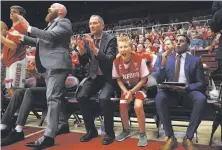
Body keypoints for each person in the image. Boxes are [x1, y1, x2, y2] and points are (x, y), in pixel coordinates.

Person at [8, 3, 72, 149]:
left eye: (52, 7)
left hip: (57, 65)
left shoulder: (64, 22)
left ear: (61, 11)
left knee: (52, 99)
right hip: (49, 67)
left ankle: (49, 136)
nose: (49, 9)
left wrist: (28, 27)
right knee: (55, 98)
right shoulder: (52, 24)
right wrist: (23, 37)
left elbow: (50, 37)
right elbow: (41, 41)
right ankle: (61, 125)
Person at [154, 34, 207, 150]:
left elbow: (201, 83)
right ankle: (170, 137)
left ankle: (188, 137)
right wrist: (162, 63)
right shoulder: (168, 59)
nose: (177, 43)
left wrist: (188, 87)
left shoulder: (195, 60)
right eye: (176, 41)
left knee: (201, 99)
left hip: (189, 92)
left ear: (188, 45)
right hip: (172, 93)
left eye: (181, 41)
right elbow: (159, 79)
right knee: (159, 97)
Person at [76, 15, 117, 145]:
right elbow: (83, 63)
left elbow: (109, 60)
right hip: (93, 76)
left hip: (108, 77)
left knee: (104, 99)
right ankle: (91, 130)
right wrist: (82, 52)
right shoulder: (89, 40)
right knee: (81, 97)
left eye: (94, 23)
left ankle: (109, 133)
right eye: (90, 24)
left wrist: (94, 48)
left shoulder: (111, 39)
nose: (91, 26)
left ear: (102, 26)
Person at [112, 36, 149, 147]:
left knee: (137, 106)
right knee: (122, 104)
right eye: (121, 47)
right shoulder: (116, 62)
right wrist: (126, 91)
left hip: (139, 88)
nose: (123, 49)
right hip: (126, 89)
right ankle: (126, 131)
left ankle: (142, 134)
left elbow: (144, 79)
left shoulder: (139, 59)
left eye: (125, 46)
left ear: (131, 48)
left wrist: (132, 91)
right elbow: (118, 79)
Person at [1, 6, 28, 89]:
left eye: (15, 12)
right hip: (10, 63)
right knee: (9, 90)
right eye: (11, 11)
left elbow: (13, 46)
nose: (11, 13)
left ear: (21, 15)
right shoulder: (11, 30)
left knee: (15, 90)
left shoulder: (21, 27)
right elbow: (7, 50)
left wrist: (1, 37)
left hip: (17, 62)